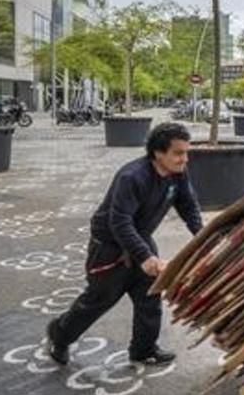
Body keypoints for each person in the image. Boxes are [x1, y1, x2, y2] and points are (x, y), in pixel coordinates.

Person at [46, 123, 203, 366]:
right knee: (99, 300)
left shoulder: (178, 174)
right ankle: (60, 334)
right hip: (110, 247)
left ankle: (143, 349)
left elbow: (188, 205)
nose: (185, 158)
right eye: (178, 153)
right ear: (158, 153)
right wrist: (145, 257)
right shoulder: (132, 177)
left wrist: (202, 237)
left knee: (150, 298)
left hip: (140, 239)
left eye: (186, 152)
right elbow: (119, 221)